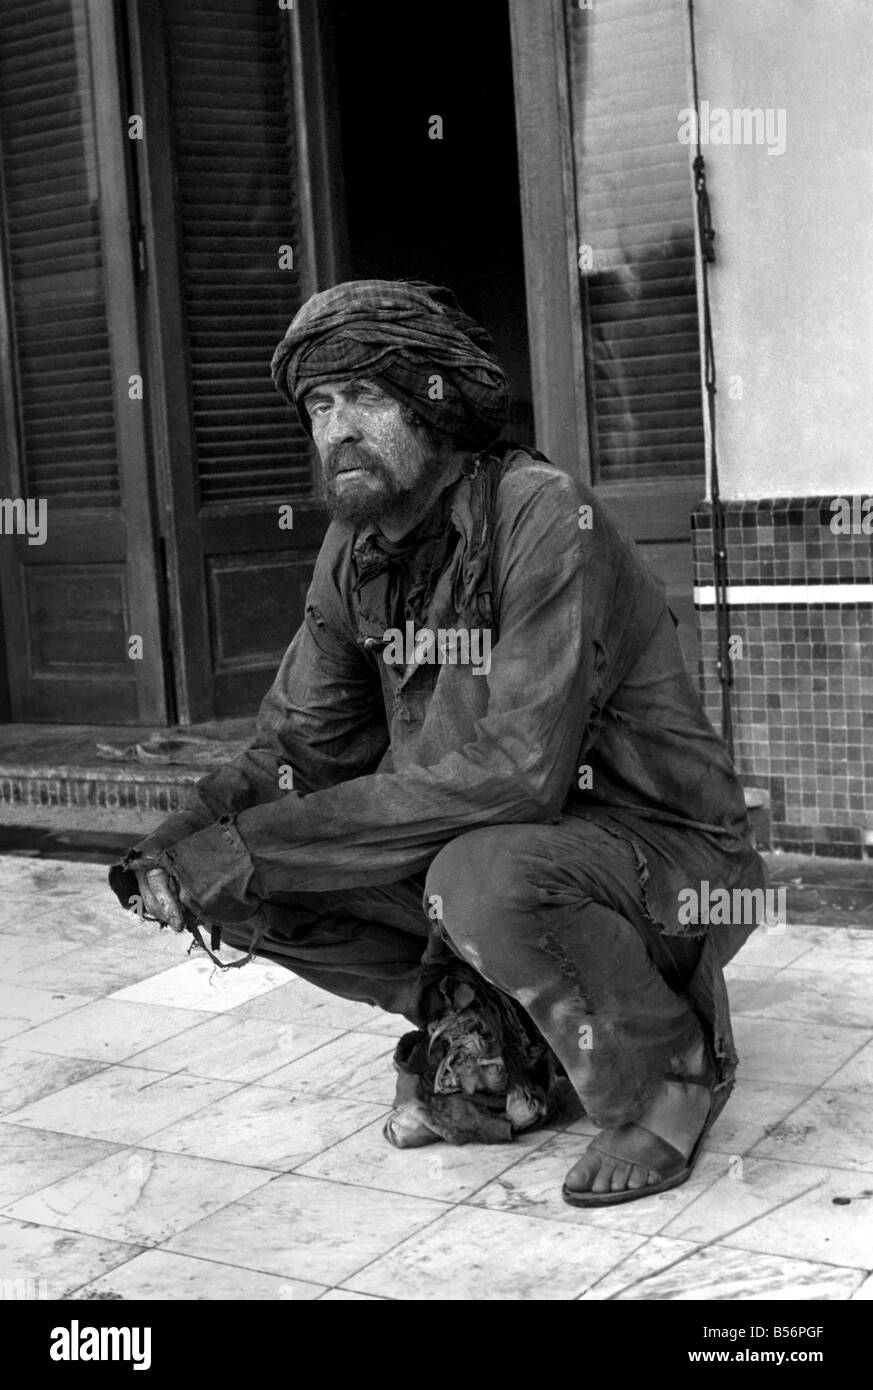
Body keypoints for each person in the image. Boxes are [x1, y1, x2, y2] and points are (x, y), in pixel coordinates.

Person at [110, 279, 766, 1207]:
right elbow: (296, 748)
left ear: (435, 403)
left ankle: (668, 1078)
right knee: (240, 887)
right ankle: (503, 1028)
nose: (338, 428)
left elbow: (519, 779)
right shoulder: (354, 550)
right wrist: (185, 838)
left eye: (366, 397)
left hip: (669, 864)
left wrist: (249, 844)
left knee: (481, 873)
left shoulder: (543, 514)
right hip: (487, 855)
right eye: (319, 404)